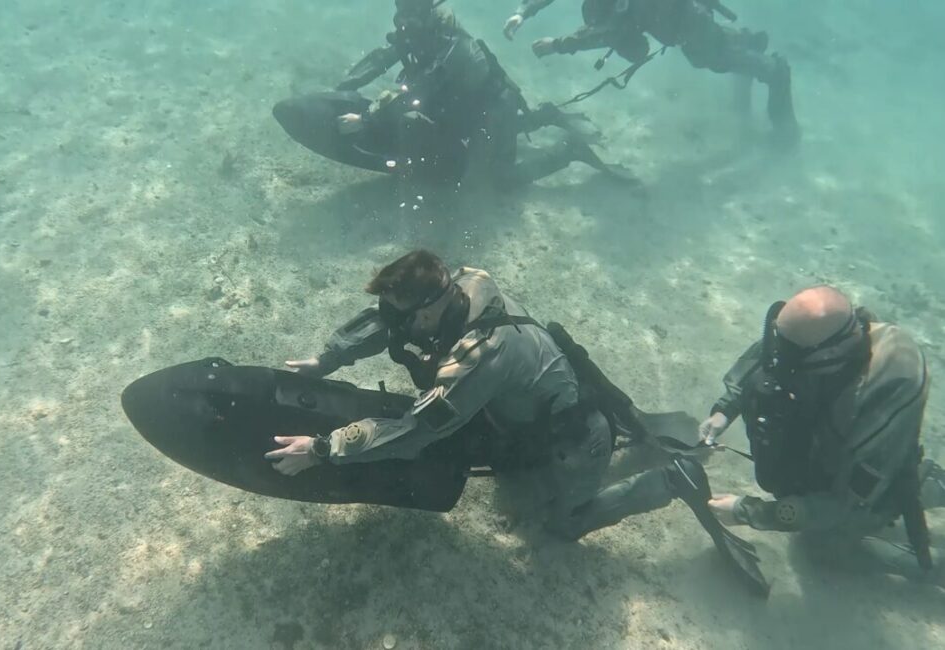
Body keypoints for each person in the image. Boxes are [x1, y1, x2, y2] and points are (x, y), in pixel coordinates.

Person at [263, 251, 766, 595]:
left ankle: (673, 479)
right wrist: (329, 357)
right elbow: (389, 319)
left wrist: (325, 448)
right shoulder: (457, 285)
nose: (396, 321)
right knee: (511, 478)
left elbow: (417, 432)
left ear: (434, 305)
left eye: (407, 314)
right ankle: (638, 442)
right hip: (521, 413)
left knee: (562, 524)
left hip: (574, 439)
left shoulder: (482, 357)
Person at [698, 286, 945, 584]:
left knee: (822, 549)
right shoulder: (818, 338)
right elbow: (769, 357)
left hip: (867, 477)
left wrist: (749, 511)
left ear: (829, 355)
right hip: (830, 450)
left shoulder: (886, 396)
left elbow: (844, 504)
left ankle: (927, 513)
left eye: (789, 355)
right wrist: (724, 411)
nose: (780, 359)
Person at [273, 0, 636, 197]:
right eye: (401, 10)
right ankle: (545, 116)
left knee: (498, 181)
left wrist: (365, 119)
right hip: (458, 109)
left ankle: (569, 150)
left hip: (492, 111)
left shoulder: (456, 47)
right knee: (475, 131)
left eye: (410, 12)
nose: (403, 20)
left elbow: (422, 88)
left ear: (427, 13)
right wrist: (345, 87)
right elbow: (382, 57)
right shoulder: (414, 32)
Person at [502, 0, 800, 143]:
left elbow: (605, 32)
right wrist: (522, 12)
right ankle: (749, 41)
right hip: (678, 21)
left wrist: (557, 45)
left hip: (688, 24)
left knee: (714, 58)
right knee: (715, 47)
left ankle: (775, 72)